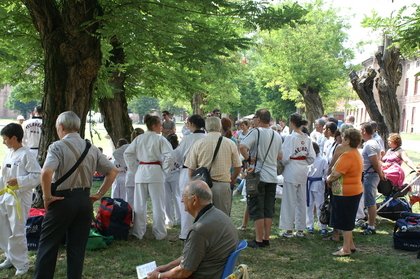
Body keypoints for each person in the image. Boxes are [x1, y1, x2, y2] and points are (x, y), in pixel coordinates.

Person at [33, 111, 118, 279]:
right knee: (77, 248)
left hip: (61, 200)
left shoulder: (57, 146)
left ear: (61, 127)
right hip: (84, 200)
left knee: (48, 246)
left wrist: (47, 197)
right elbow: (113, 171)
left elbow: (46, 173)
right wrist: (99, 194)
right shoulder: (91, 148)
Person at [147, 180, 238, 279]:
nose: (182, 200)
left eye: (184, 196)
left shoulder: (199, 230)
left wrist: (159, 276)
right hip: (216, 272)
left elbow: (183, 272)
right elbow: (191, 257)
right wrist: (167, 267)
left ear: (194, 200)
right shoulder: (220, 216)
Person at [124, 114, 174, 240]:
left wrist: (135, 168)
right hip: (155, 173)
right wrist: (165, 170)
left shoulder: (139, 138)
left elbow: (128, 154)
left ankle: (138, 232)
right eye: (160, 125)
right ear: (154, 125)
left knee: (139, 204)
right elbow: (170, 156)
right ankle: (160, 233)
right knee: (158, 204)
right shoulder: (160, 139)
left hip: (141, 172)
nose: (162, 127)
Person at [0, 123, 41, 276]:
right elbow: (4, 176)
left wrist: (19, 181)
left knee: (17, 230)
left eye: (5, 139)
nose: (3, 142)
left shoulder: (27, 154)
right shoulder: (10, 153)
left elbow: (37, 175)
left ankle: (22, 263)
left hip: (20, 198)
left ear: (14, 138)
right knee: (3, 228)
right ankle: (10, 256)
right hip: (6, 196)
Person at [239, 109, 283, 248]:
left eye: (254, 118)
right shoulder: (276, 135)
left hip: (258, 174)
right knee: (268, 208)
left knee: (258, 207)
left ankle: (258, 240)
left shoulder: (256, 132)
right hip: (272, 176)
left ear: (258, 119)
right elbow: (280, 156)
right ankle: (266, 238)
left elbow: (242, 146)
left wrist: (250, 159)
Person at [185, 117, 241, 216]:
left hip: (202, 186)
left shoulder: (198, 144)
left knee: (202, 216)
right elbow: (238, 167)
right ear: (220, 127)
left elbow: (190, 169)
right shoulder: (230, 143)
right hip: (223, 185)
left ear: (206, 127)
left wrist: (193, 186)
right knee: (222, 217)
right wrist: (232, 179)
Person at [326, 128, 363, 256]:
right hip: (354, 190)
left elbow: (336, 173)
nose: (341, 139)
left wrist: (328, 179)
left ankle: (345, 249)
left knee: (345, 221)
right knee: (348, 219)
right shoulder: (356, 153)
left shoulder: (348, 155)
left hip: (346, 193)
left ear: (347, 140)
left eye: (343, 137)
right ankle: (351, 245)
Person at [279, 113, 315, 238]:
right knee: (301, 200)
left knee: (289, 200)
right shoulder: (307, 139)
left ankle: (288, 229)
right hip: (303, 170)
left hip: (292, 169)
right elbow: (312, 158)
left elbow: (284, 158)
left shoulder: (291, 138)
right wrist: (302, 160)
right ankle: (300, 229)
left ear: (292, 123)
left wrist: (286, 161)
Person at [172, 114, 206, 239]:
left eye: (188, 123)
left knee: (186, 201)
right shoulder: (207, 138)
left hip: (187, 172)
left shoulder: (188, 139)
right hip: (204, 173)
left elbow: (177, 155)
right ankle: (201, 231)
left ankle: (186, 233)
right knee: (202, 201)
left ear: (192, 124)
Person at [360, 122, 385, 235]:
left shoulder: (370, 144)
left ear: (365, 131)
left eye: (361, 130)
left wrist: (380, 174)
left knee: (370, 202)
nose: (360, 132)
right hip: (370, 174)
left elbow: (375, 162)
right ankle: (370, 222)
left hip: (371, 175)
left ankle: (371, 226)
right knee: (369, 201)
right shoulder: (370, 143)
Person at [306, 142, 329, 236]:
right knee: (309, 205)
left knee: (320, 205)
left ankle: (322, 226)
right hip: (309, 183)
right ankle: (309, 225)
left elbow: (326, 173)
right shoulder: (309, 160)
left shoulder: (323, 160)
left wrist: (323, 181)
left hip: (319, 183)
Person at [125, 128, 145, 207]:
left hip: (132, 176)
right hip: (139, 176)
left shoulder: (128, 147)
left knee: (131, 203)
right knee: (141, 203)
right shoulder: (144, 148)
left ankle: (131, 219)